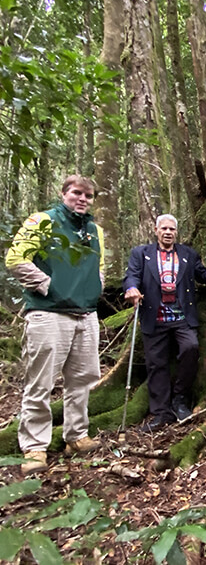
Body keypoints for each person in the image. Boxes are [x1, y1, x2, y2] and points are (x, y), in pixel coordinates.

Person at [6, 175, 105, 476]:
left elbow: (98, 266)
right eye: (77, 193)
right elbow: (15, 258)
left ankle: (76, 436)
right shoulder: (42, 221)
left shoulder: (95, 230)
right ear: (63, 193)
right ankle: (35, 446)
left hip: (86, 314)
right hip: (48, 313)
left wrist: (95, 289)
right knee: (41, 381)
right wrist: (48, 285)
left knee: (83, 380)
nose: (82, 199)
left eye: (88, 195)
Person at [123, 215, 206, 432]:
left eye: (172, 229)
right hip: (154, 317)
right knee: (156, 364)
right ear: (156, 230)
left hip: (181, 317)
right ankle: (161, 413)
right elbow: (132, 276)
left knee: (191, 348)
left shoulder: (187, 253)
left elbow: (201, 275)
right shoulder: (141, 254)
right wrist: (131, 289)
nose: (168, 232)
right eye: (164, 228)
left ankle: (180, 400)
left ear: (176, 232)